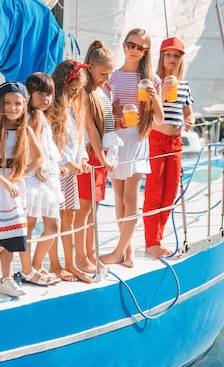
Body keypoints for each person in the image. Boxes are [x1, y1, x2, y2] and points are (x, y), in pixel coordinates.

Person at [0, 81, 43, 296]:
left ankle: (5, 277)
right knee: (5, 233)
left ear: (24, 106)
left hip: (14, 183)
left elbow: (39, 159)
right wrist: (6, 182)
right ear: (0, 106)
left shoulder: (27, 131)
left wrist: (19, 175)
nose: (13, 108)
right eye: (8, 103)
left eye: (18, 104)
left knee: (14, 234)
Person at [101, 28, 164, 268]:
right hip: (117, 139)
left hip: (137, 140)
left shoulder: (151, 79)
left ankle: (119, 252)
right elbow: (107, 112)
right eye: (131, 45)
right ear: (124, 45)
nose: (135, 50)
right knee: (118, 198)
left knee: (130, 198)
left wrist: (155, 98)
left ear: (146, 51)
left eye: (140, 47)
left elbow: (158, 120)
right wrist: (114, 113)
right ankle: (128, 250)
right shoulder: (113, 77)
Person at [143, 37, 195, 258]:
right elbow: (147, 112)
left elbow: (188, 112)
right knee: (154, 190)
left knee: (171, 191)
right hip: (156, 139)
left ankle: (159, 236)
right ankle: (151, 242)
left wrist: (190, 120)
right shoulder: (153, 82)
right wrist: (161, 95)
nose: (172, 59)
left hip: (176, 142)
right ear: (161, 56)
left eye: (176, 56)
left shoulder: (184, 86)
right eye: (168, 55)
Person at [48, 60, 94, 283]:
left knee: (70, 215)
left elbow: (78, 140)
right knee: (54, 219)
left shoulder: (76, 108)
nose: (75, 93)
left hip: (72, 172)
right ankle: (55, 264)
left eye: (78, 90)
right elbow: (52, 142)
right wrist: (67, 162)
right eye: (71, 89)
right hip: (58, 172)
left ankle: (70, 263)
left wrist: (82, 158)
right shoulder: (53, 109)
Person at [74, 41, 117, 274]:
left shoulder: (104, 90)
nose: (106, 77)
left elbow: (105, 124)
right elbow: (90, 129)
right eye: (103, 73)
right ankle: (80, 256)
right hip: (91, 156)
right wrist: (102, 158)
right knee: (84, 209)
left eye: (109, 73)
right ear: (89, 67)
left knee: (95, 208)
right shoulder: (84, 91)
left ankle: (90, 252)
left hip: (102, 156)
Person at [18, 72, 63, 286]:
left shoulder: (38, 115)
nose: (45, 99)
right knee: (42, 224)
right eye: (40, 94)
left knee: (46, 224)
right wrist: (38, 169)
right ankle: (31, 268)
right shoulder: (35, 116)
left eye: (49, 95)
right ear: (30, 94)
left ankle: (34, 266)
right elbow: (32, 143)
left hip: (44, 175)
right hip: (37, 176)